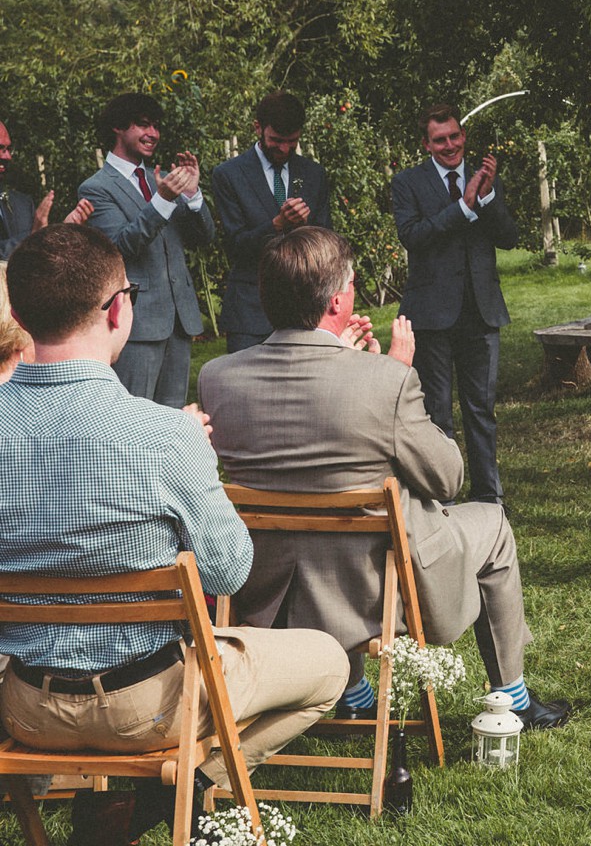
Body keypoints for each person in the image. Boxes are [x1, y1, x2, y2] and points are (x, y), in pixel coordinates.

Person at [0, 224, 345, 844]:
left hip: (25, 709)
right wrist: (196, 477)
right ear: (117, 308)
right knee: (328, 664)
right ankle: (176, 792)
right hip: (151, 709)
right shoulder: (164, 435)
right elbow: (228, 571)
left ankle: (128, 808)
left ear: (20, 314)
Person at [197, 226, 571, 729]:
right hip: (378, 590)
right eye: (351, 283)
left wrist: (360, 370)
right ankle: (512, 697)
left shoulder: (218, 377)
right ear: (337, 301)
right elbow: (447, 480)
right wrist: (392, 377)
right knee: (493, 522)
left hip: (269, 592)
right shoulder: (386, 381)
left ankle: (352, 690)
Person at [391, 104, 520, 506]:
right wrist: (463, 208)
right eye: (440, 139)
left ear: (463, 136)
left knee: (482, 410)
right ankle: (442, 499)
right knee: (438, 414)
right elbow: (412, 235)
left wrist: (488, 196)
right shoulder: (407, 182)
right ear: (426, 144)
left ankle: (488, 497)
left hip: (480, 312)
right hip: (432, 314)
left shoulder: (485, 178)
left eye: (455, 136)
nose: (450, 146)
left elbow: (509, 237)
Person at [78, 92, 217, 407]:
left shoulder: (163, 180)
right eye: (143, 125)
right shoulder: (96, 188)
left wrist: (194, 196)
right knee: (133, 416)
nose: (153, 134)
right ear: (118, 127)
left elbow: (203, 239)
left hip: (179, 323)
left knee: (172, 418)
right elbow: (119, 248)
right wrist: (164, 200)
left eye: (156, 126)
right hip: (136, 324)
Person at [209, 91, 332, 352]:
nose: (284, 149)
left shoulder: (314, 174)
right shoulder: (228, 175)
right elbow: (234, 247)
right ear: (258, 128)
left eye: (292, 141)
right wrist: (276, 224)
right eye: (276, 140)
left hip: (306, 312)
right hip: (251, 311)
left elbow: (328, 240)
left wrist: (305, 227)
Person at [1, 120, 92, 257]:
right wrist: (33, 238)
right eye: (0, 149)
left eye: (8, 149)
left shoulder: (22, 204)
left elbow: (40, 256)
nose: (7, 156)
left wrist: (63, 231)